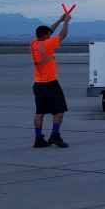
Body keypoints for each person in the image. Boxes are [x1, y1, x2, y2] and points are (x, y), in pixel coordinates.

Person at [30, 13, 71, 148]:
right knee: (60, 109)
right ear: (45, 36)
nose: (50, 35)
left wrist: (59, 20)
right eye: (48, 34)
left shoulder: (34, 44)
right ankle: (55, 135)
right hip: (51, 84)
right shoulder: (47, 45)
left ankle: (38, 139)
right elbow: (62, 35)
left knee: (39, 112)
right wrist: (66, 22)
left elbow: (49, 31)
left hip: (38, 84)